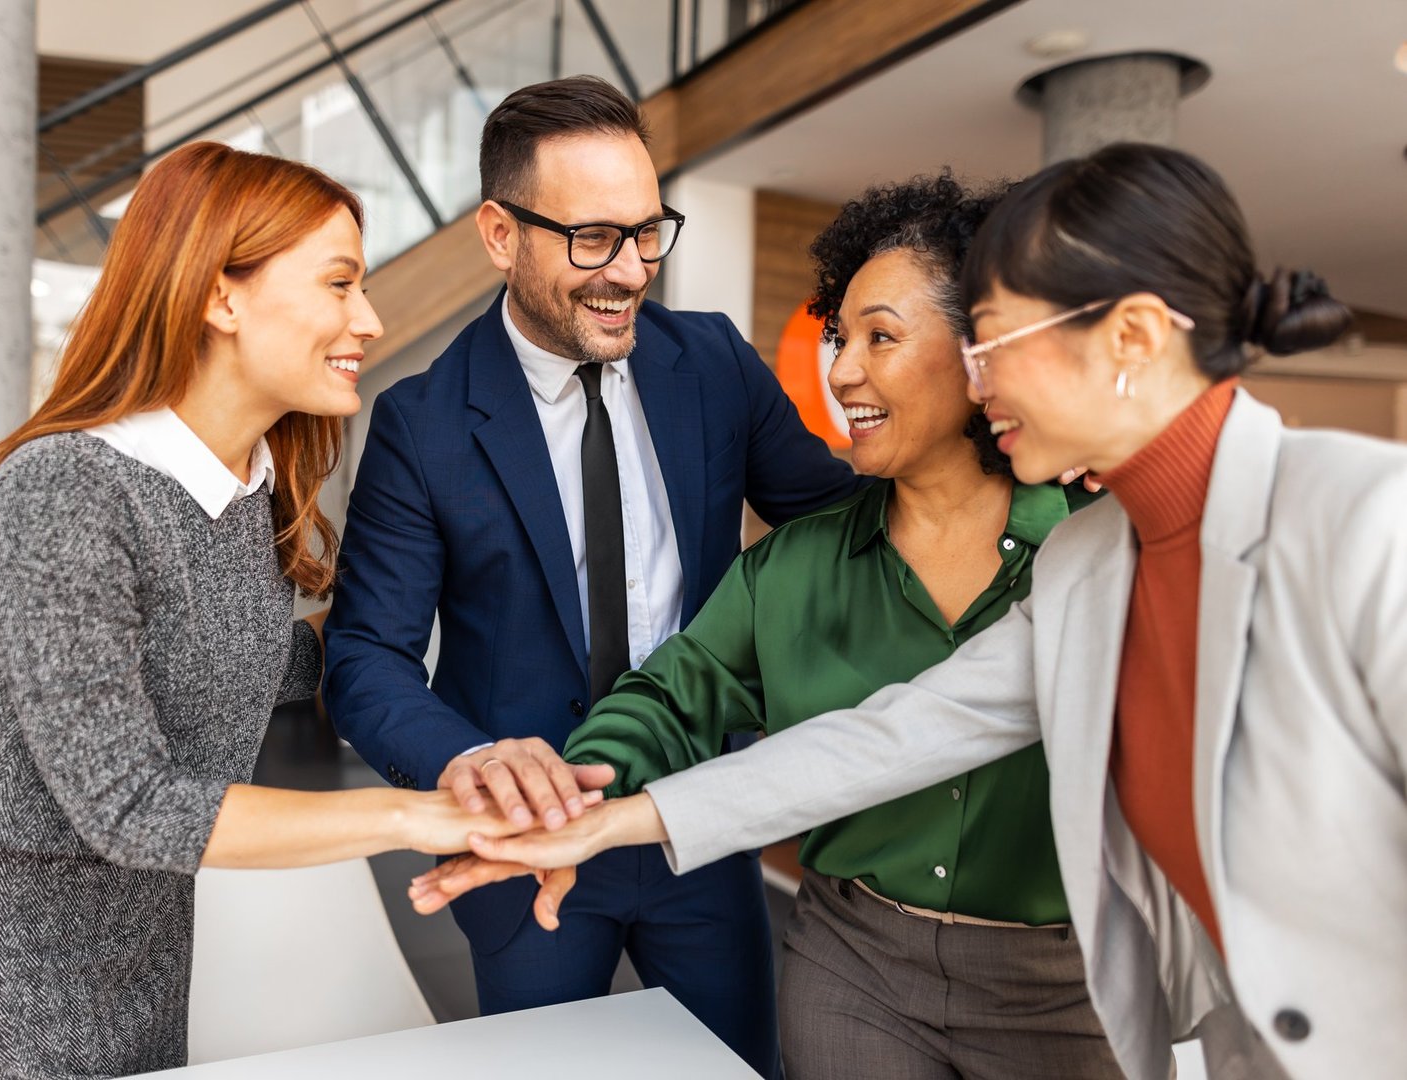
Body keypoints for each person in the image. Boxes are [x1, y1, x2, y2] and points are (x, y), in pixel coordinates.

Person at [418, 143, 1403, 1080]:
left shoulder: (1371, 525)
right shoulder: (1095, 566)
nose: (980, 377)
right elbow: (891, 738)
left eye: (995, 341)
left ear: (1136, 337)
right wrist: (598, 824)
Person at [0, 142, 575, 1080]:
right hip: (9, 958)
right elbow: (130, 805)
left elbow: (238, 662)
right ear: (221, 297)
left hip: (144, 936)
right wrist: (417, 816)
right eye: (339, 285)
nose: (368, 320)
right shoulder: (67, 490)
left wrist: (453, 604)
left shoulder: (243, 489)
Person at [320, 75, 859, 1077]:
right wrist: (466, 762)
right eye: (592, 238)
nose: (630, 271)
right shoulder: (422, 421)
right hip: (522, 846)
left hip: (697, 824)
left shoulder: (715, 364)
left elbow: (837, 526)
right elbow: (364, 657)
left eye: (648, 232)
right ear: (499, 233)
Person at [540, 174, 1117, 1078]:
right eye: (841, 339)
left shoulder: (1098, 549)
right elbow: (670, 694)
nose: (841, 370)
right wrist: (580, 785)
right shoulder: (792, 566)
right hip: (856, 971)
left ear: (984, 352)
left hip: (1069, 984)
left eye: (880, 338)